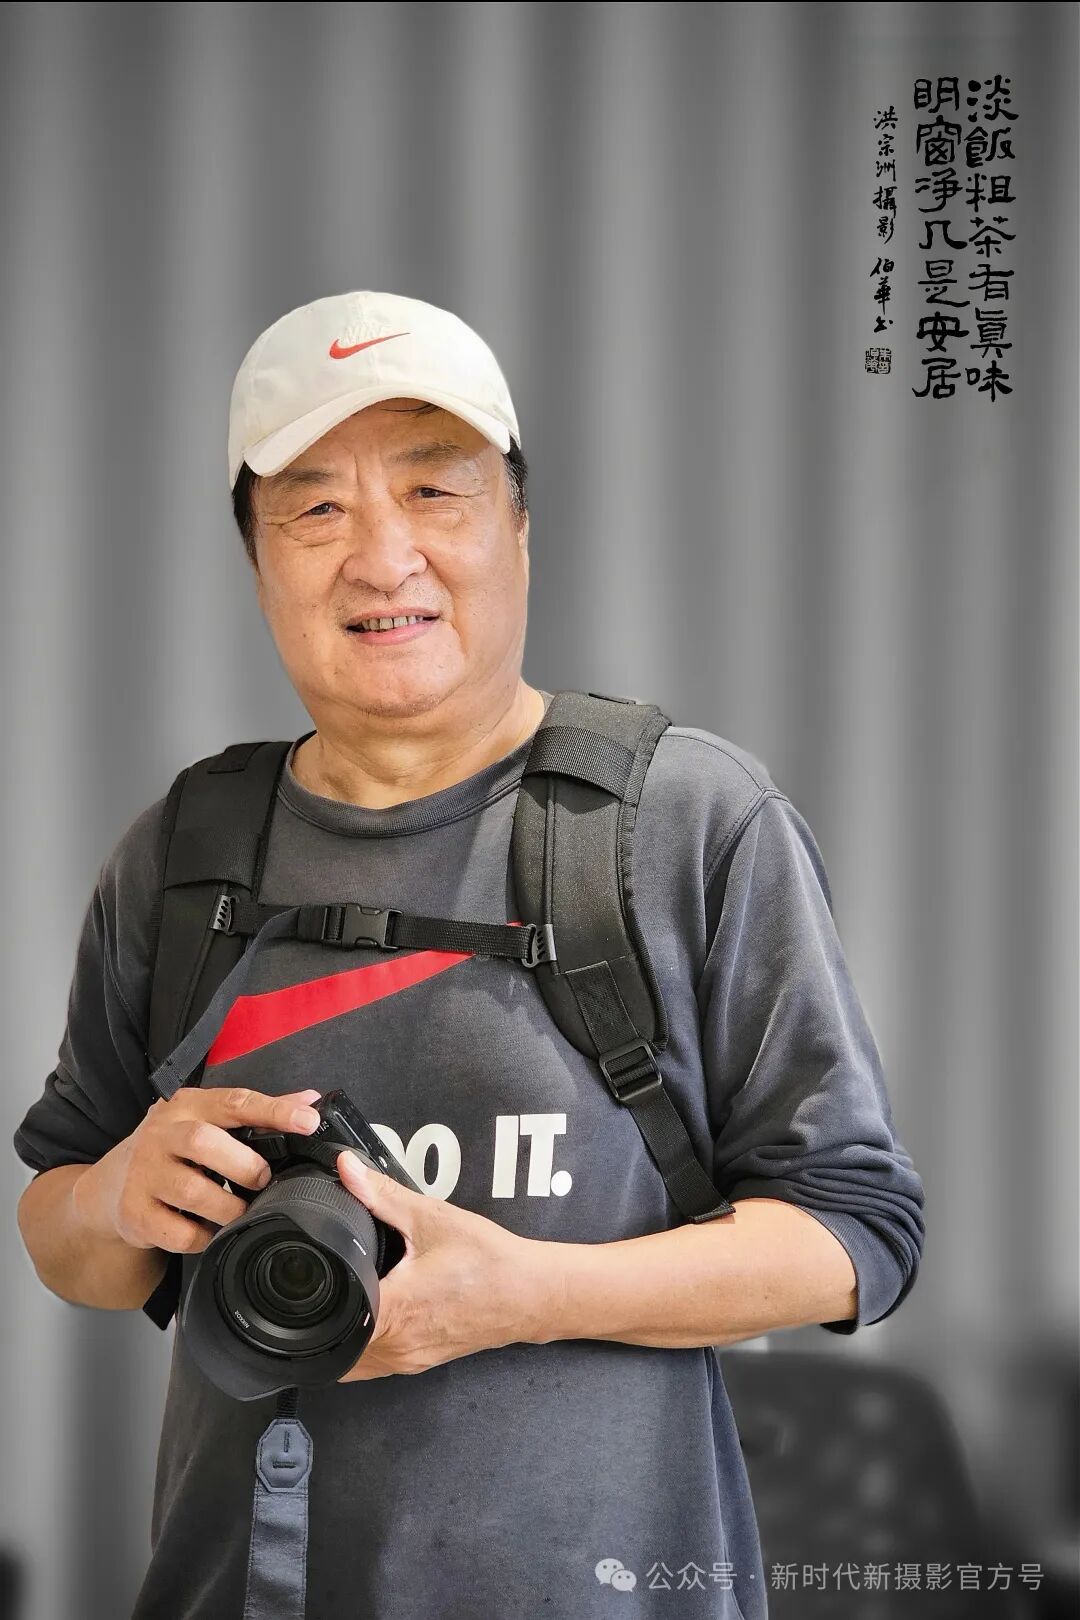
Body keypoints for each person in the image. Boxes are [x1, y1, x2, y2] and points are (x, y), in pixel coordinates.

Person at [13, 289, 925, 1620]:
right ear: (258, 560)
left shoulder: (685, 825)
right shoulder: (189, 853)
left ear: (519, 528)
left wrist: (527, 1293)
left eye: (436, 490)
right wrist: (115, 1200)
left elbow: (857, 1235)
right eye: (316, 509)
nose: (383, 557)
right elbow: (67, 1232)